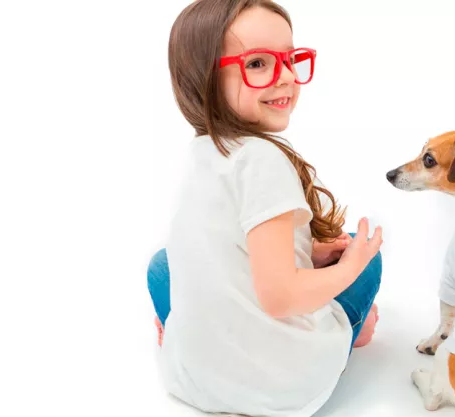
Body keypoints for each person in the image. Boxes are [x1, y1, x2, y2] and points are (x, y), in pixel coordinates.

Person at [145, 0, 384, 415]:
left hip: (190, 380)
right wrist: (350, 266)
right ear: (204, 77)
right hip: (285, 389)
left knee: (163, 265)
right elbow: (280, 297)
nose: (288, 77)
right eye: (258, 63)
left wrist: (309, 253)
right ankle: (351, 332)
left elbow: (217, 246)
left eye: (290, 59)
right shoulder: (264, 161)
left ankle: (188, 340)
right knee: (364, 257)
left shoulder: (200, 153)